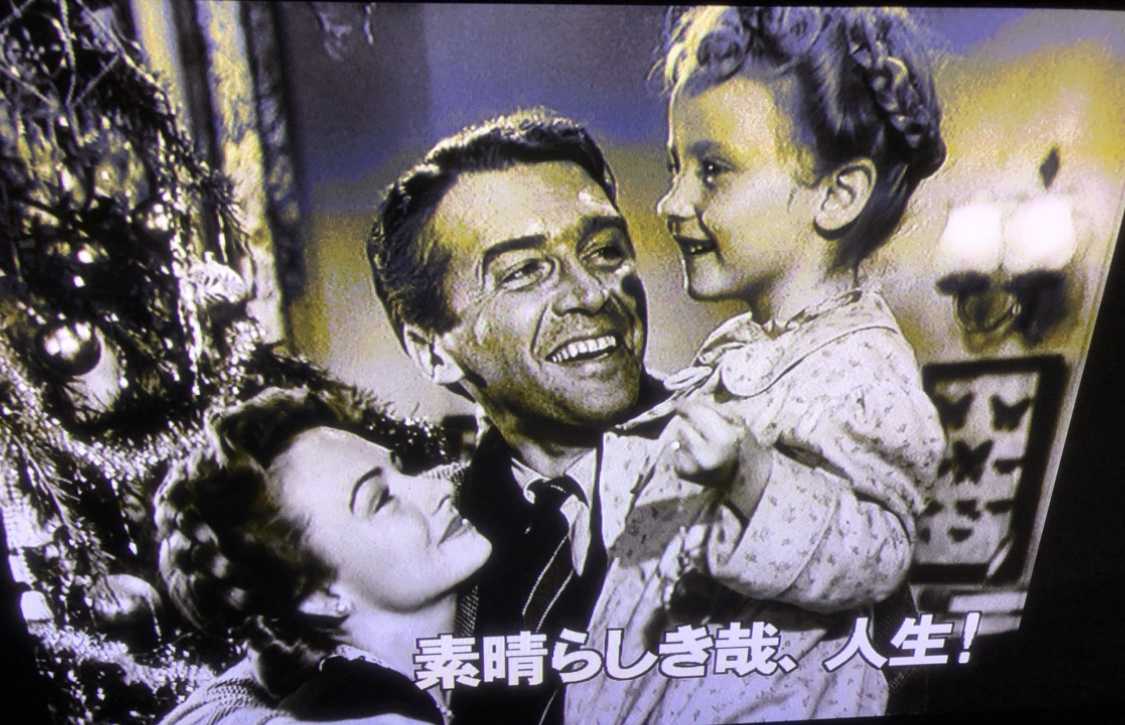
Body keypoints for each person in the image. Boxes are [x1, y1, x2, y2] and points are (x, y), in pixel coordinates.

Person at [563, 6, 948, 723]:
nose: (672, 201)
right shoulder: (740, 350)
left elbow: (877, 551)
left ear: (837, 194)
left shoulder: (860, 370)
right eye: (676, 167)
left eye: (712, 171)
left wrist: (754, 478)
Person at [155, 386, 492, 724]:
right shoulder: (320, 706)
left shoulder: (490, 527)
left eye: (402, 469)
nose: (440, 488)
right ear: (322, 596)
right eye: (380, 500)